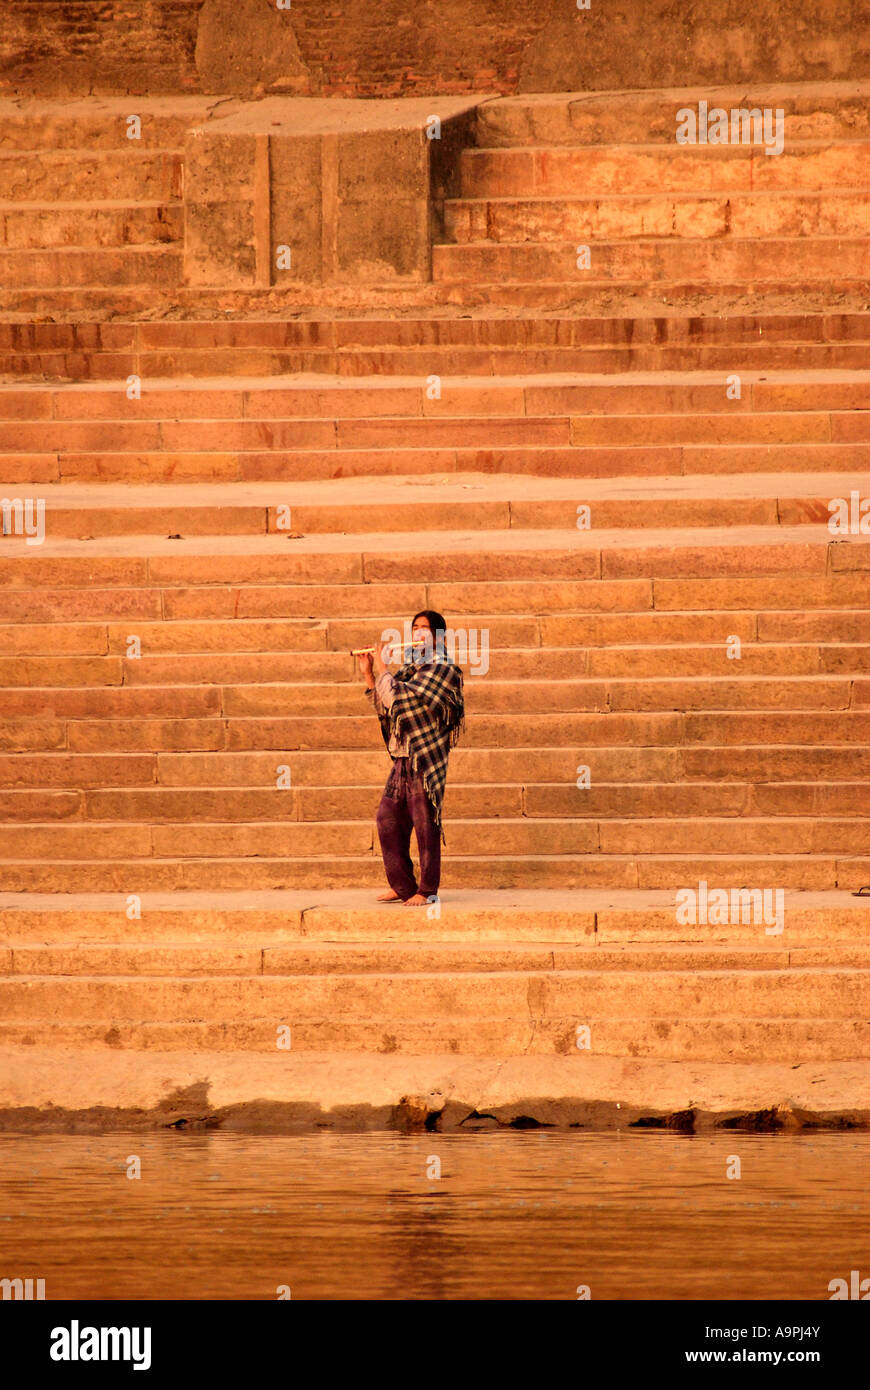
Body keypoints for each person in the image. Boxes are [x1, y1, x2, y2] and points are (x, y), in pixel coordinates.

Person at [359, 610, 465, 906]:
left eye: (425, 629)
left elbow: (401, 700)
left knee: (425, 823)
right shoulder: (408, 670)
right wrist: (370, 673)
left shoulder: (443, 668)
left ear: (439, 637)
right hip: (403, 757)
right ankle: (403, 886)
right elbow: (386, 706)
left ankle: (427, 890)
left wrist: (383, 670)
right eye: (415, 627)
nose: (418, 633)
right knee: (387, 819)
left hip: (426, 759)